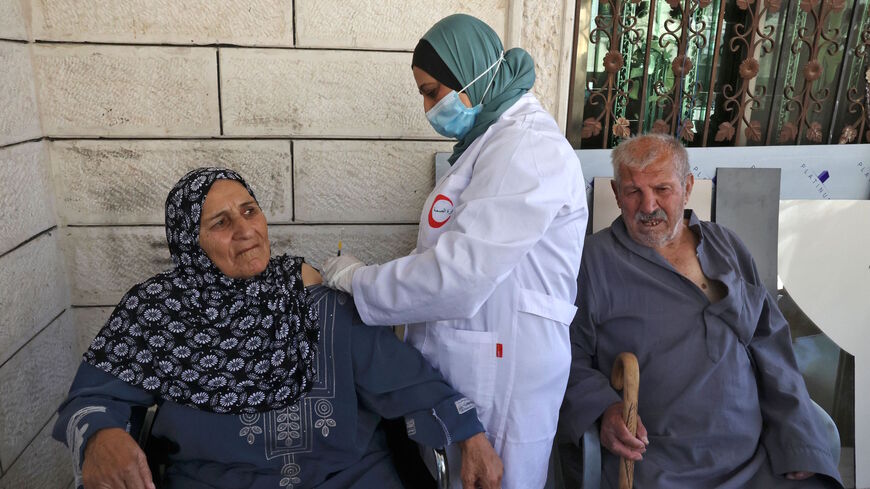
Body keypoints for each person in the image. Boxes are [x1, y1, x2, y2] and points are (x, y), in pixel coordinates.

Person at [52, 167, 503, 489]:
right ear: (190, 243)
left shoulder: (316, 302)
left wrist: (469, 432)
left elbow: (401, 375)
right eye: (221, 222)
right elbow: (93, 399)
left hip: (348, 478)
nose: (245, 230)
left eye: (250, 211)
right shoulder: (157, 312)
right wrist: (100, 435)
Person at [320, 13, 588, 489]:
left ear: (473, 74)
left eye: (432, 91)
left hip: (503, 374)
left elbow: (457, 278)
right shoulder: (489, 142)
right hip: (475, 358)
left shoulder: (527, 148)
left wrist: (354, 279)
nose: (427, 108)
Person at [559, 134, 844, 488]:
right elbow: (564, 355)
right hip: (660, 467)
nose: (648, 206)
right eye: (633, 192)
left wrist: (798, 439)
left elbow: (771, 344)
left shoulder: (726, 244)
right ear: (616, 194)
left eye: (662, 189)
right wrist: (604, 409)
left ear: (687, 186)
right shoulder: (591, 262)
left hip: (757, 458)